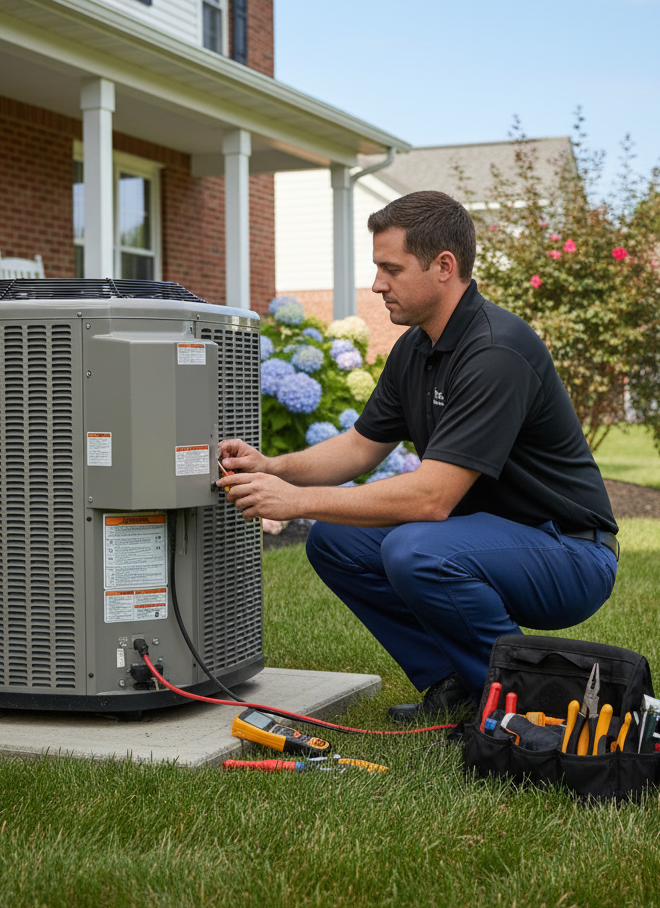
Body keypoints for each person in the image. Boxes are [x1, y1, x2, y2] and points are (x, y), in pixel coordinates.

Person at [217, 190, 618, 722]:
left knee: (415, 548)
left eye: (391, 268)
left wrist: (294, 501)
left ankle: (518, 703)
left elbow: (431, 499)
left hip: (568, 551)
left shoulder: (495, 352)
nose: (378, 284)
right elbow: (360, 446)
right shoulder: (418, 347)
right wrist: (274, 467)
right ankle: (453, 683)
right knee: (337, 542)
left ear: (444, 267)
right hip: (486, 535)